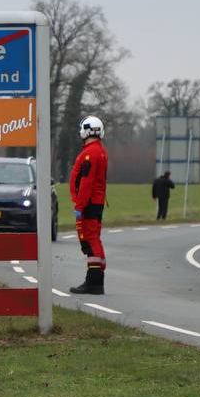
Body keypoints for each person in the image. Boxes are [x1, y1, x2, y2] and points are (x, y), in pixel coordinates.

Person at [69, 116, 109, 295]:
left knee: (90, 240)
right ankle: (95, 279)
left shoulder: (90, 153)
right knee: (94, 239)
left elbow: (86, 181)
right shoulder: (99, 151)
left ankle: (93, 282)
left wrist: (79, 205)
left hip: (89, 203)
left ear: (87, 130)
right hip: (95, 202)